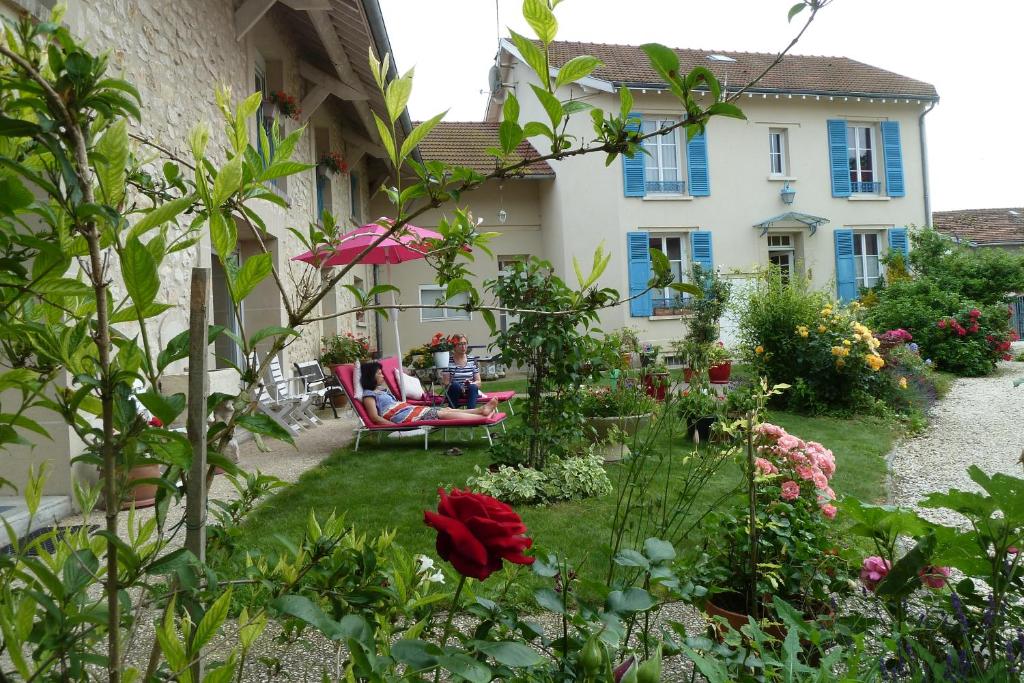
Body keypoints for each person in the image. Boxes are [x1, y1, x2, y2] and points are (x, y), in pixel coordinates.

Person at [360, 361, 497, 425]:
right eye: (379, 374)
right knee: (443, 414)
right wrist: (396, 427)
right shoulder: (369, 395)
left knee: (446, 409)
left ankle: (480, 410)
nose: (382, 376)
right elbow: (375, 418)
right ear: (370, 376)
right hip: (403, 417)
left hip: (407, 411)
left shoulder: (379, 391)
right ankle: (481, 418)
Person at [442, 334, 482, 408]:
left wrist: (471, 383)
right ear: (454, 346)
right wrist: (461, 388)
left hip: (469, 391)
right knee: (455, 386)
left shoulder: (472, 360)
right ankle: (453, 413)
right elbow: (446, 383)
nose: (463, 347)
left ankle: (471, 413)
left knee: (473, 386)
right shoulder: (447, 361)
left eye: (465, 343)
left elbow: (479, 382)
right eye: (460, 344)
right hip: (455, 391)